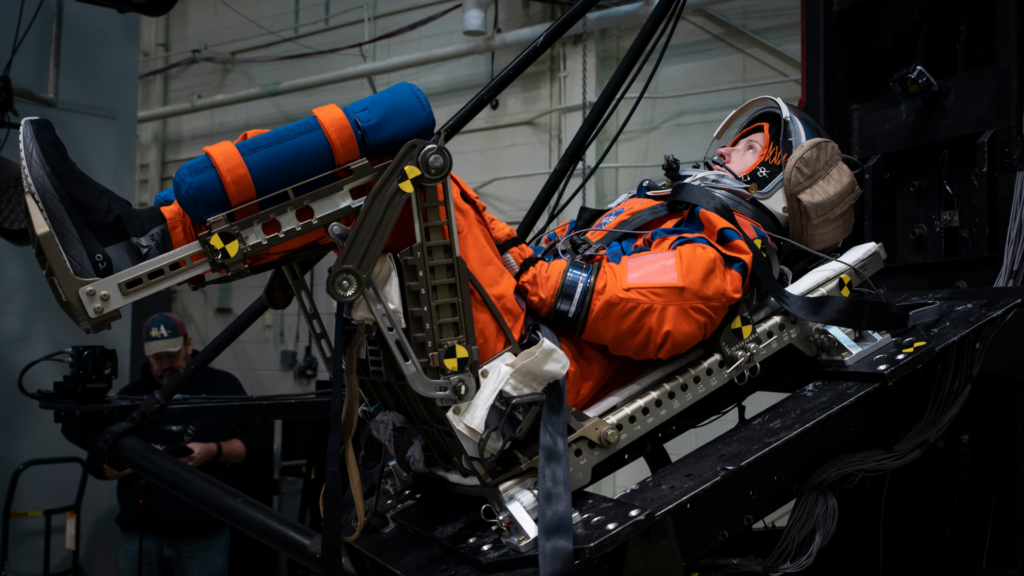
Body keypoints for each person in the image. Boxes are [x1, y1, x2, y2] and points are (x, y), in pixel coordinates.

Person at [21, 92, 854, 408]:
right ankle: (144, 230)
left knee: (400, 132)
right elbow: (562, 276)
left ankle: (141, 235)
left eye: (751, 145)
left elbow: (616, 308)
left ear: (780, 171)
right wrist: (518, 252)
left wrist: (528, 265)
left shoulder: (723, 253)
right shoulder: (681, 226)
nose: (730, 150)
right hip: (519, 332)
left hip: (523, 359)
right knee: (383, 158)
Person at [88, 312, 269, 576]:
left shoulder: (223, 387)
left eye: (171, 355)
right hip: (141, 535)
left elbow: (253, 444)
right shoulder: (128, 397)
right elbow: (96, 463)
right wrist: (139, 461)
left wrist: (211, 451)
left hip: (203, 536)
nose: (165, 364)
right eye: (157, 358)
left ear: (188, 344)